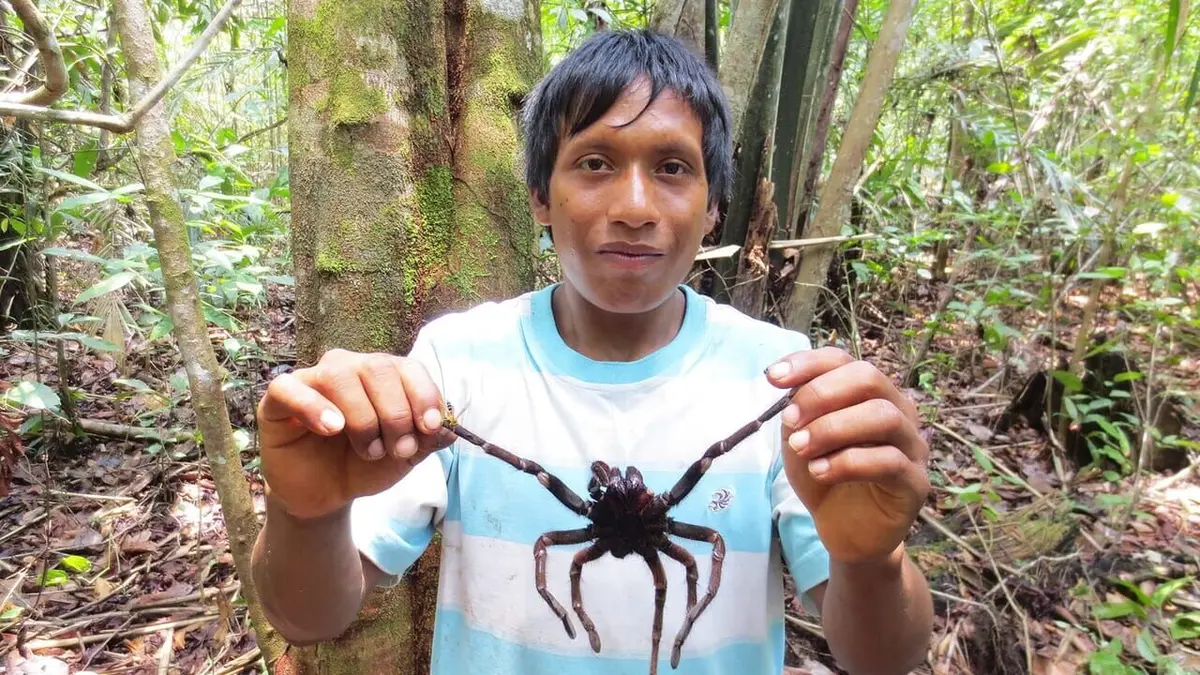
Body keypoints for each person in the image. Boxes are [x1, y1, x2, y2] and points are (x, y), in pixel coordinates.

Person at [250, 28, 933, 675]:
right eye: (595, 162)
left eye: (672, 167)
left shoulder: (781, 378)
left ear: (714, 205)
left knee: (680, 566)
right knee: (574, 556)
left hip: (650, 528)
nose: (635, 206)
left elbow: (884, 657)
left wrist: (871, 560)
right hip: (608, 525)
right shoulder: (455, 364)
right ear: (540, 197)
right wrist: (305, 511)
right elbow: (307, 616)